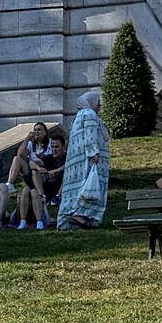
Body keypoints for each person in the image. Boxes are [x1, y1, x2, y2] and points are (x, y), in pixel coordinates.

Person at [54, 89, 110, 230]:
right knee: (89, 186)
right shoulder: (90, 114)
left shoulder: (78, 117)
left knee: (76, 188)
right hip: (88, 160)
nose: (99, 107)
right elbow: (90, 135)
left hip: (76, 162)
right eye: (98, 103)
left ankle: (70, 219)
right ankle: (81, 214)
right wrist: (94, 152)